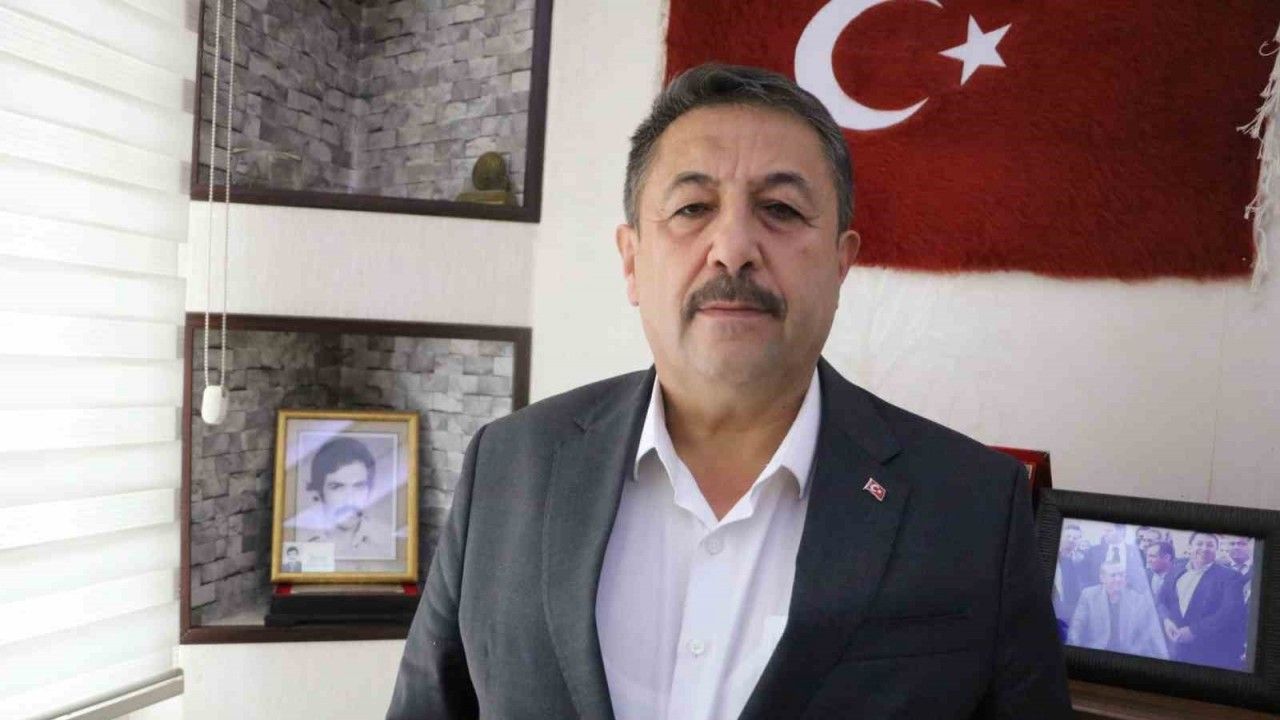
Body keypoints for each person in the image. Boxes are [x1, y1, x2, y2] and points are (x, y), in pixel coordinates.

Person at [387, 63, 1071, 720]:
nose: (733, 246)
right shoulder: (507, 465)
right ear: (632, 260)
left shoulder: (974, 507)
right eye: (692, 207)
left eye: (780, 209)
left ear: (841, 263)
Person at [1156, 532, 1247, 670]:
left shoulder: (1230, 577)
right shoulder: (1176, 570)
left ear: (1217, 549)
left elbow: (1229, 612)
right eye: (1199, 544)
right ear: (1190, 547)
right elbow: (1161, 599)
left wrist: (1194, 631)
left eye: (1210, 545)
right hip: (1176, 650)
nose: (1204, 548)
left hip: (1210, 654)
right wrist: (1166, 620)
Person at [304, 436, 394, 559]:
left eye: (359, 486)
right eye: (337, 487)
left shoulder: (390, 542)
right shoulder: (299, 544)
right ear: (319, 493)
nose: (350, 499)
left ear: (369, 492)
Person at [1068, 562, 1168, 659]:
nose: (1118, 579)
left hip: (1127, 655)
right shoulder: (1089, 596)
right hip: (1097, 653)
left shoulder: (1137, 599)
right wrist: (1075, 653)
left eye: (1121, 575)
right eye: (1113, 575)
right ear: (1102, 578)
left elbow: (1147, 631)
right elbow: (1077, 626)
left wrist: (1137, 650)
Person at [1083, 523, 1150, 602]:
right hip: (1099, 600)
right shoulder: (1093, 551)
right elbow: (1086, 577)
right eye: (1104, 531)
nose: (1104, 534)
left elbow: (1142, 578)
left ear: (1121, 531)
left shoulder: (1137, 553)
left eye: (1109, 531)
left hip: (1130, 601)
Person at [1053, 523, 1087, 625]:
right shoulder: (1051, 554)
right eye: (1068, 536)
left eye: (1075, 538)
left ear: (1079, 540)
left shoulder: (1082, 559)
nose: (1071, 540)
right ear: (1062, 536)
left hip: (1074, 609)